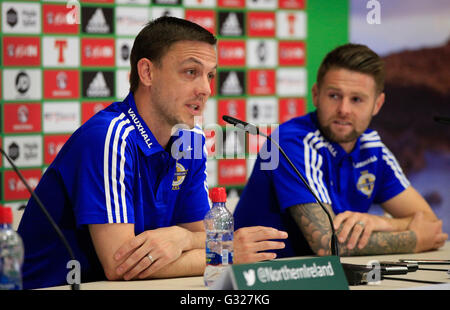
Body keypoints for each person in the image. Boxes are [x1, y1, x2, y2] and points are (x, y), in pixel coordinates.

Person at [17, 16, 286, 290]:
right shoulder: (109, 137)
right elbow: (121, 265)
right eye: (191, 72)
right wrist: (226, 255)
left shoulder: (190, 140)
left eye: (210, 75)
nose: (205, 89)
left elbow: (200, 234)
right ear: (147, 72)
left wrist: (184, 239)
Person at [234, 43, 448, 258]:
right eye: (334, 96)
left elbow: (429, 223)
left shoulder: (371, 147)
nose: (344, 110)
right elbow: (327, 244)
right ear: (316, 95)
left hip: (325, 276)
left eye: (357, 99)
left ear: (377, 104)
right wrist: (413, 240)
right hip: (268, 277)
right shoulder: (292, 141)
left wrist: (381, 222)